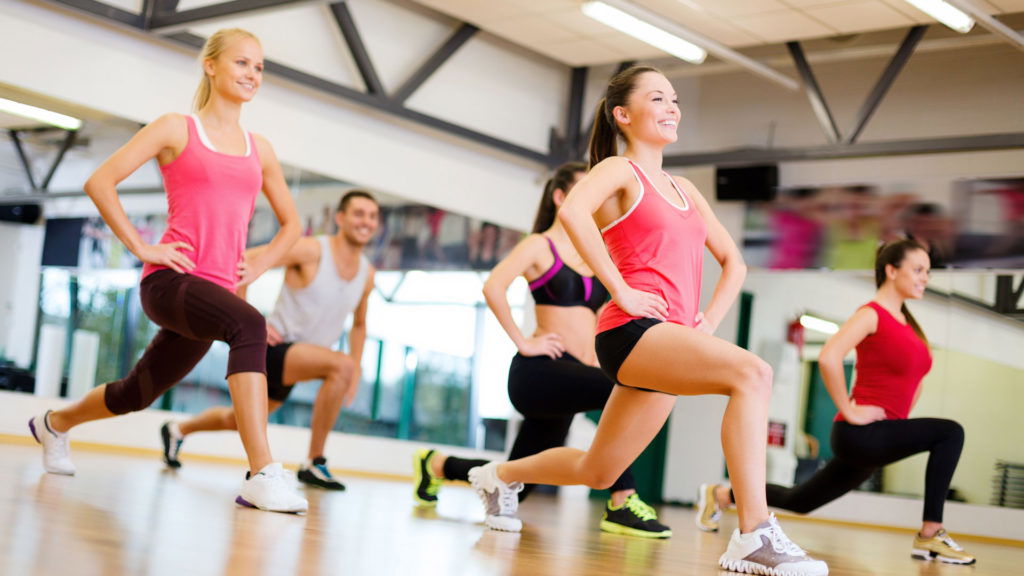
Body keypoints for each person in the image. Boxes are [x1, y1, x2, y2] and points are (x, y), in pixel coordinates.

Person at [462, 66, 827, 576]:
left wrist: (708, 322)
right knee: (754, 374)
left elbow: (734, 263)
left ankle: (498, 475)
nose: (672, 107)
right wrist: (622, 290)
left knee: (598, 468)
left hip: (668, 337)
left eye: (675, 99)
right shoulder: (619, 170)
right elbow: (572, 215)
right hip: (630, 332)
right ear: (623, 114)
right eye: (658, 98)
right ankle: (754, 533)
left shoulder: (685, 188)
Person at [27, 28, 308, 513]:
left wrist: (259, 261)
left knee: (138, 392)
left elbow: (293, 225)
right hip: (171, 282)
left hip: (216, 294)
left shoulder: (259, 149)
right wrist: (141, 246)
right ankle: (262, 473)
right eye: (242, 63)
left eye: (259, 67)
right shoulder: (176, 129)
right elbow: (101, 181)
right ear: (212, 65)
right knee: (251, 325)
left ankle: (54, 423)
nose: (252, 74)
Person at [412, 162, 670, 538]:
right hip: (540, 371)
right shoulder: (539, 245)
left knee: (521, 478)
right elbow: (493, 287)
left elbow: (602, 317)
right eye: (585, 190)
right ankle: (621, 500)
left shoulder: (596, 256)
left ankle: (436, 465)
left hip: (573, 375)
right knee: (624, 389)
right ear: (561, 197)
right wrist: (523, 341)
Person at [697, 239, 975, 565]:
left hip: (880, 434)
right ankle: (930, 534)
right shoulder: (872, 315)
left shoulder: (910, 326)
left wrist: (902, 422)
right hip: (860, 434)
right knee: (950, 432)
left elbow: (914, 380)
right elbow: (830, 357)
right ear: (891, 270)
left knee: (800, 500)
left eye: (927, 272)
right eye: (917, 270)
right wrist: (849, 409)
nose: (925, 278)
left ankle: (718, 495)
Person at [161, 190, 379, 491]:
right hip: (274, 349)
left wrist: (356, 369)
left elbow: (360, 324)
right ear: (340, 218)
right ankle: (314, 462)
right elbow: (246, 259)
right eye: (358, 213)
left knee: (235, 420)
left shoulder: (366, 274)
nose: (366, 221)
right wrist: (249, 318)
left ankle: (177, 429)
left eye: (372, 216)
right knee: (340, 366)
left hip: (301, 359)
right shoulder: (312, 250)